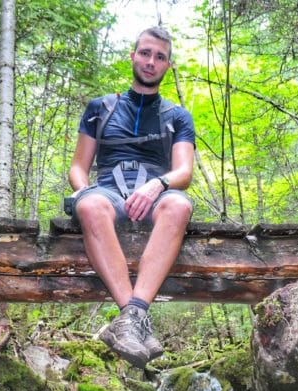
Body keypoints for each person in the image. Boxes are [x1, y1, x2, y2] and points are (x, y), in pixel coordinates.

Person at [67, 26, 195, 368]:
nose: (151, 62)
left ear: (168, 65)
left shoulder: (177, 117)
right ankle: (135, 317)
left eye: (160, 57)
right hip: (107, 189)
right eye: (145, 53)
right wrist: (83, 192)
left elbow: (184, 172)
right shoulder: (101, 108)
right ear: (133, 55)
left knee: (179, 203)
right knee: (91, 204)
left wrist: (158, 185)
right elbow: (79, 167)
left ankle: (128, 319)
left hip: (153, 193)